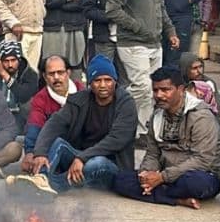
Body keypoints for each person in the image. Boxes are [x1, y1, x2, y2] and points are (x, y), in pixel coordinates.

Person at [15, 55, 138, 195]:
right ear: (90, 83)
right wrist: (40, 153)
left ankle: (50, 185)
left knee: (95, 163)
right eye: (97, 80)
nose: (103, 85)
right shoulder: (80, 99)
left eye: (108, 80)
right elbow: (53, 124)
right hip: (83, 156)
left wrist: (82, 158)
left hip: (111, 163)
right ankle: (40, 177)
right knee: (58, 142)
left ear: (115, 81)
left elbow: (116, 140)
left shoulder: (125, 103)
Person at [112, 66, 220, 209]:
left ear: (181, 89)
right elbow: (153, 153)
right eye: (155, 90)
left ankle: (160, 193)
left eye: (165, 90)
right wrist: (146, 173)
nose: (159, 95)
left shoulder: (200, 116)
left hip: (198, 174)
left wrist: (162, 178)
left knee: (195, 183)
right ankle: (178, 200)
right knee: (120, 180)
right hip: (167, 174)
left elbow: (202, 160)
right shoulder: (158, 114)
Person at [105, 0, 177, 135]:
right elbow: (112, 10)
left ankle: (147, 130)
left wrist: (170, 31)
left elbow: (160, 8)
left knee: (154, 90)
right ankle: (131, 126)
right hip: (132, 43)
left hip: (155, 43)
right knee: (142, 87)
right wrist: (138, 27)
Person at [23, 54, 80, 156]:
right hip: (52, 149)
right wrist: (30, 153)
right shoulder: (40, 99)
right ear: (45, 77)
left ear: (68, 73)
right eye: (51, 74)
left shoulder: (82, 92)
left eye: (60, 72)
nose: (56, 77)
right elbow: (34, 127)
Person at [0, 39, 40, 125]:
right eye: (6, 61)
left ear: (19, 60)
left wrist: (4, 74)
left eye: (13, 60)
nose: (10, 65)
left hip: (21, 117)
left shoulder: (29, 74)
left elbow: (23, 96)